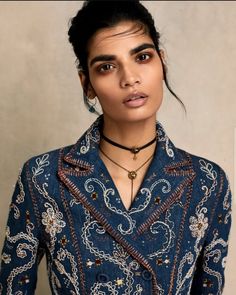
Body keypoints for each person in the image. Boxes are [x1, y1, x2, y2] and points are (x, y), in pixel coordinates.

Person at [0, 1, 232, 294]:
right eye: (107, 66)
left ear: (162, 62)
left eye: (143, 57)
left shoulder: (208, 183)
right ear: (87, 83)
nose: (130, 78)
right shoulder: (43, 178)